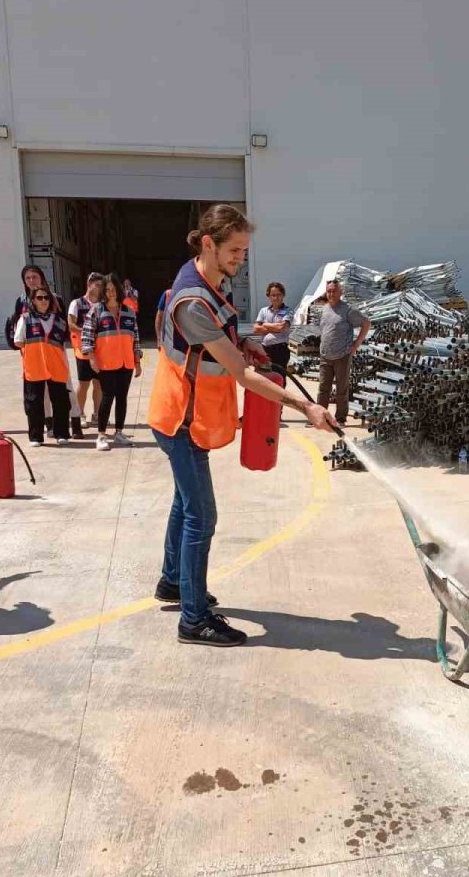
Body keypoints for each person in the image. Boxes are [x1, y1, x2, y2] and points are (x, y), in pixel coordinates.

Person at [148, 204, 337, 647]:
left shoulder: (211, 278)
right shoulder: (193, 301)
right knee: (201, 517)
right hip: (180, 419)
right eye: (234, 250)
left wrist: (245, 340)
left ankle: (173, 582)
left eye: (245, 251)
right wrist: (305, 406)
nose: (241, 259)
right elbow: (242, 376)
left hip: (188, 415)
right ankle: (194, 619)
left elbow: (218, 340)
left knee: (184, 503)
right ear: (208, 244)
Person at [84, 273, 142, 451]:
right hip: (106, 363)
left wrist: (137, 361)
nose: (111, 293)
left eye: (114, 289)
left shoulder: (129, 312)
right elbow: (87, 336)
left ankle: (119, 432)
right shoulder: (96, 311)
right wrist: (92, 358)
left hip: (126, 363)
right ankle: (101, 435)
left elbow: (135, 338)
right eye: (107, 290)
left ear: (119, 290)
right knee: (107, 397)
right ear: (103, 291)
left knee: (122, 398)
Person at [13, 285, 71, 446]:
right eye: (39, 298)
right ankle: (36, 437)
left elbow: (64, 343)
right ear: (33, 300)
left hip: (57, 367)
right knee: (34, 403)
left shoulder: (59, 321)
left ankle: (62, 433)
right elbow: (18, 341)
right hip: (34, 367)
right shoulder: (25, 319)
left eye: (46, 298)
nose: (43, 301)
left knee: (60, 402)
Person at [317, 278, 370, 427]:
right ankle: (321, 416)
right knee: (323, 388)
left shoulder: (348, 310)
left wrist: (356, 345)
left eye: (334, 291)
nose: (331, 294)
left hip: (342, 355)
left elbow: (366, 323)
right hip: (325, 356)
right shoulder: (325, 309)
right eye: (329, 291)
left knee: (341, 389)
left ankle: (340, 419)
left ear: (340, 292)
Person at [68, 272, 104, 423]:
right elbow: (71, 325)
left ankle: (97, 414)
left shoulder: (102, 305)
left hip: (100, 351)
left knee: (99, 384)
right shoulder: (77, 303)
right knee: (84, 384)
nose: (99, 288)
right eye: (97, 285)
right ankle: (80, 414)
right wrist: (86, 330)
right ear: (89, 284)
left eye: (101, 285)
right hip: (83, 350)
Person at [254, 281, 292, 382]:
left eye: (278, 294)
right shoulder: (263, 311)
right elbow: (256, 329)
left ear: (283, 295)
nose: (276, 298)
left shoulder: (288, 311)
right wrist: (274, 326)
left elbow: (281, 327)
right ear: (269, 296)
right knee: (263, 378)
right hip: (264, 350)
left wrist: (265, 324)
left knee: (279, 379)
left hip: (280, 350)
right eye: (273, 295)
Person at [154, 285, 173, 349]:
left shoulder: (192, 295)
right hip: (167, 340)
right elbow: (159, 316)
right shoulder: (167, 294)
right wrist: (159, 339)